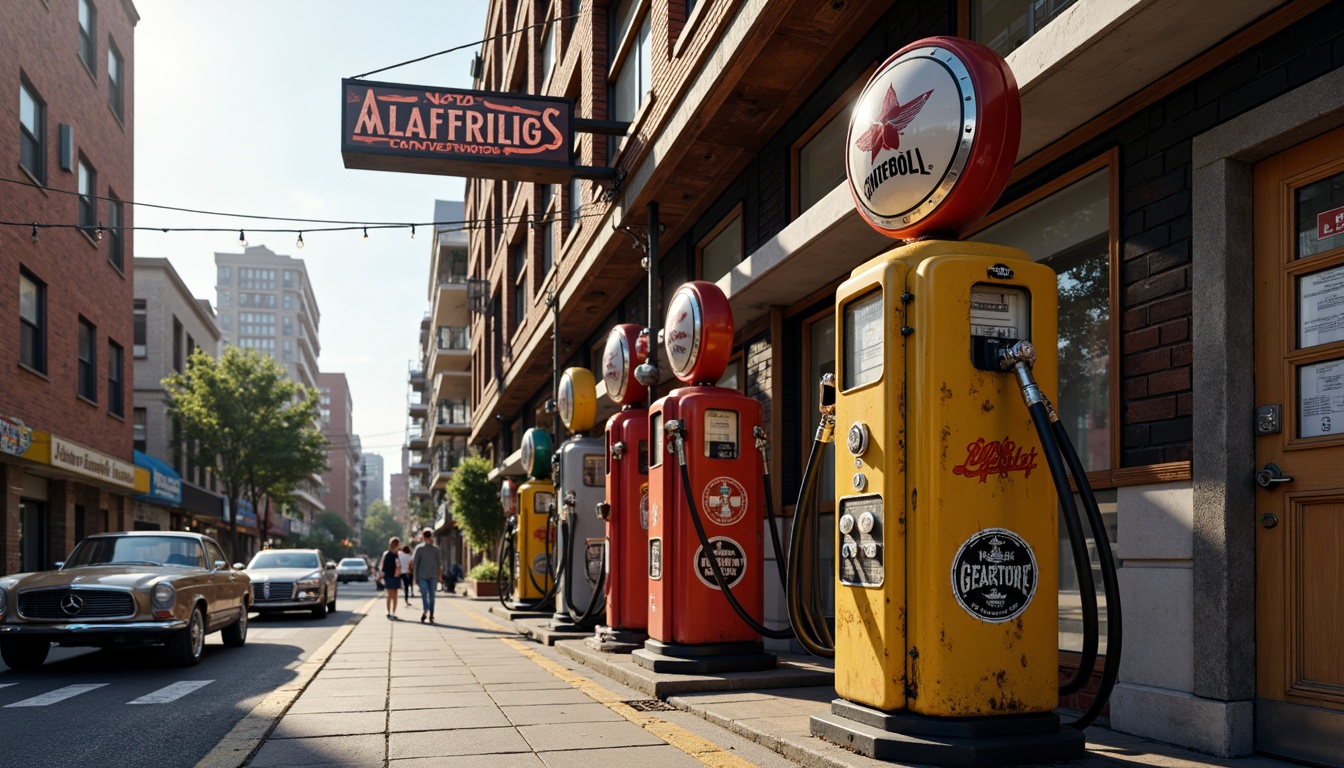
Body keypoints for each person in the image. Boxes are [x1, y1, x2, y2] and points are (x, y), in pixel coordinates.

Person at [411, 529, 442, 623]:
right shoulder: (435, 549)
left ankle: (426, 611)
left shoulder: (419, 548)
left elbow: (415, 564)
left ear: (423, 537)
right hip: (431, 576)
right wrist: (440, 576)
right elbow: (439, 564)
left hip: (423, 576)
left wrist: (414, 577)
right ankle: (430, 613)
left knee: (425, 595)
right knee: (432, 596)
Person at [381, 537, 401, 619]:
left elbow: (382, 566)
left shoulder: (386, 554)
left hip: (388, 576)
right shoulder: (397, 554)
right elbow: (399, 566)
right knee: (394, 595)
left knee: (389, 595)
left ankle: (389, 612)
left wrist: (381, 575)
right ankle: (393, 612)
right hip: (394, 576)